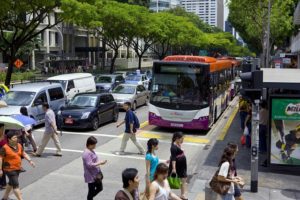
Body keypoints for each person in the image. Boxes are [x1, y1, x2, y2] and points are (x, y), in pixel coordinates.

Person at [0, 131, 35, 200]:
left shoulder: (19, 145)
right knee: (16, 186)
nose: (16, 139)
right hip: (9, 169)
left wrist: (30, 161)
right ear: (9, 139)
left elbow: (23, 153)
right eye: (14, 138)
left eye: (16, 137)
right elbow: (0, 158)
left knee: (10, 183)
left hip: (17, 168)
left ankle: (5, 197)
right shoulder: (4, 148)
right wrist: (0, 169)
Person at [168, 132, 188, 200]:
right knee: (182, 179)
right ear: (177, 138)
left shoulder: (178, 144)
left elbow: (174, 155)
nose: (183, 140)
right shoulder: (173, 147)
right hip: (178, 165)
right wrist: (174, 168)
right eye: (181, 138)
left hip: (182, 165)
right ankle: (168, 193)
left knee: (184, 179)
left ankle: (183, 194)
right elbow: (173, 158)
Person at [0, 124, 7, 189]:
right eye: (2, 128)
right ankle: (3, 183)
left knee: (2, 168)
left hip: (3, 154)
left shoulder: (4, 136)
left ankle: (3, 183)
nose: (3, 130)